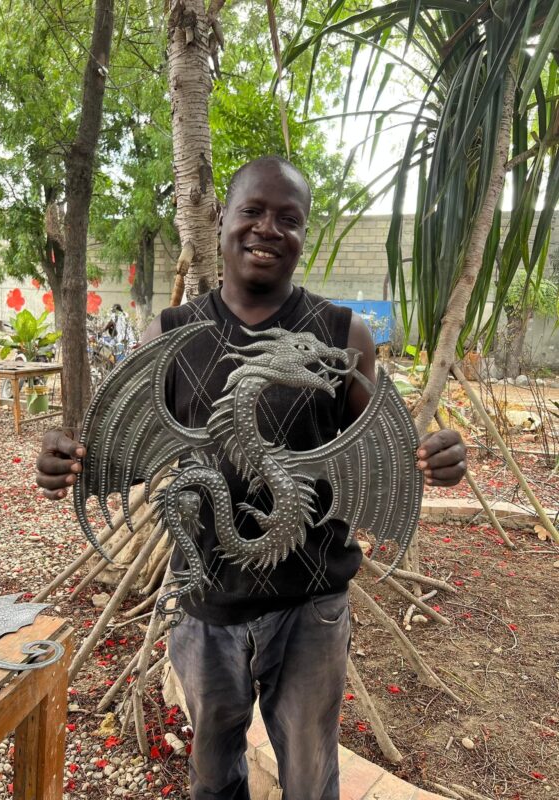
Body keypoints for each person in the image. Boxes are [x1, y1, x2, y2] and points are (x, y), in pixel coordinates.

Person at [36, 156, 466, 800]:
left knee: (308, 777)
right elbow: (116, 459)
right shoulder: (171, 337)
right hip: (205, 604)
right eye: (253, 211)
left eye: (288, 219)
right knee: (213, 778)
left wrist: (437, 456)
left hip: (310, 606)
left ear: (303, 235)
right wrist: (64, 459)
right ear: (223, 222)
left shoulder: (341, 335)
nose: (269, 228)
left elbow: (388, 446)